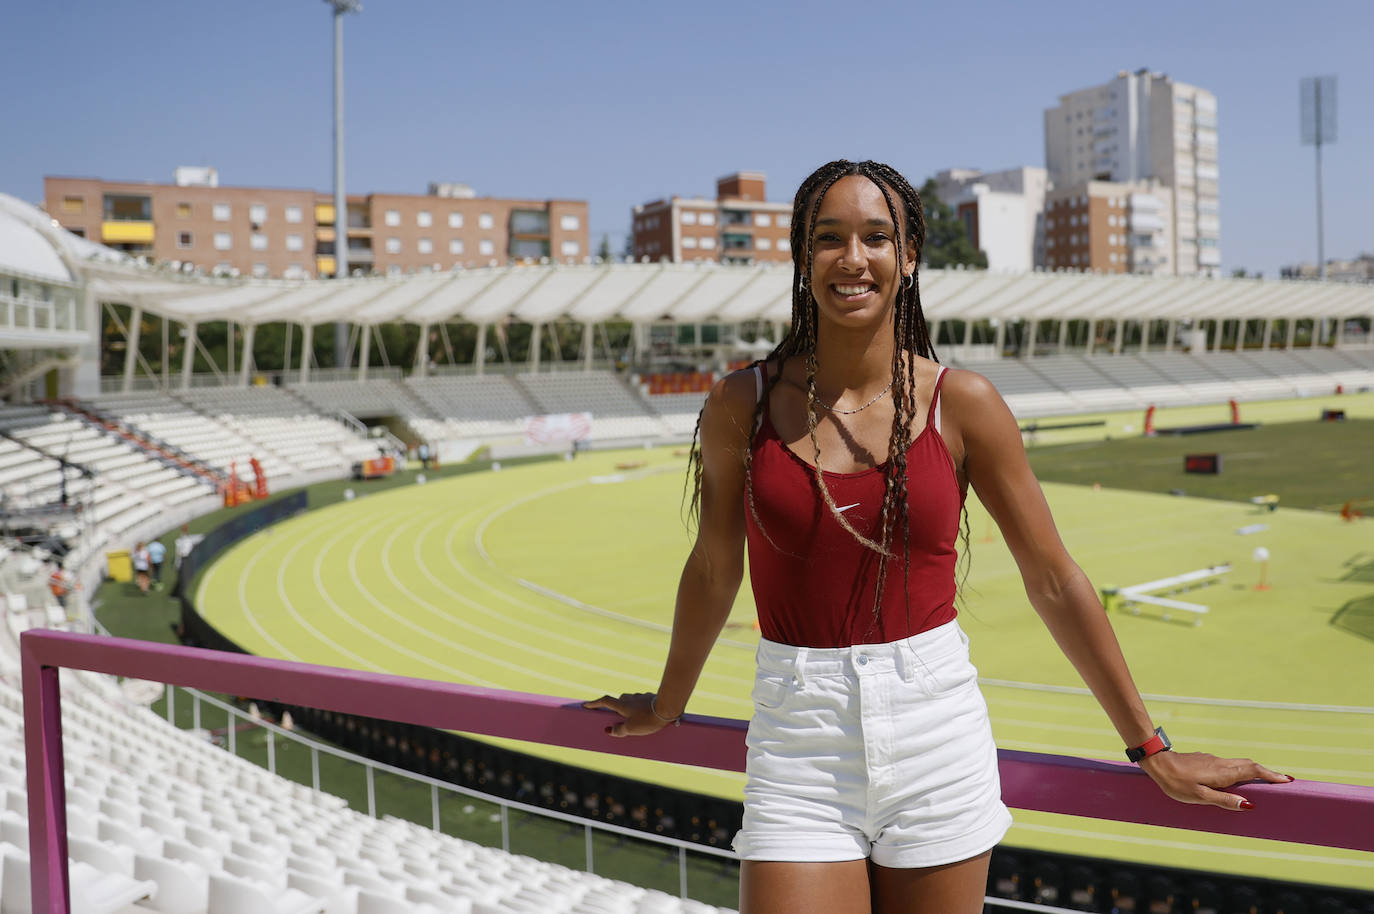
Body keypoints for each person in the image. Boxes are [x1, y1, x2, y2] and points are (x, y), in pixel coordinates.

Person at [585, 160, 1289, 914]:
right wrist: (669, 701)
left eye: (876, 237)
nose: (853, 258)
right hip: (800, 737)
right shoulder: (740, 403)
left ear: (909, 255)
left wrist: (1152, 747)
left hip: (934, 730)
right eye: (828, 238)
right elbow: (716, 564)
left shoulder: (967, 405)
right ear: (800, 256)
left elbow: (1053, 578)